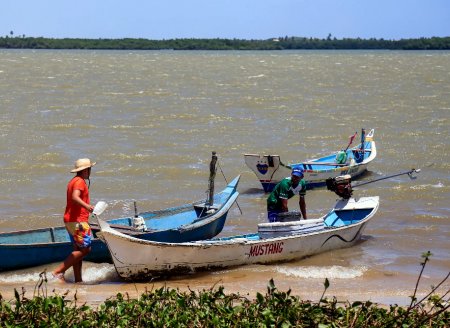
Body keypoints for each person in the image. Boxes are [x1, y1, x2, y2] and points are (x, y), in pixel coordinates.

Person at [52, 158, 96, 283]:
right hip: (78, 222)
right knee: (86, 249)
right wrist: (87, 206)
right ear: (86, 170)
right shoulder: (80, 182)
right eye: (89, 169)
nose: (90, 171)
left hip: (70, 221)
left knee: (78, 251)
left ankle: (78, 280)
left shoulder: (73, 181)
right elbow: (75, 197)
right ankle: (58, 271)